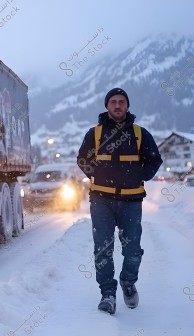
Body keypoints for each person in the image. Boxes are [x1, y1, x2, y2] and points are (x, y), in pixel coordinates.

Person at [77, 88, 163, 315]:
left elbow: (155, 160)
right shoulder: (94, 134)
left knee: (133, 250)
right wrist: (99, 175)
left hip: (132, 200)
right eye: (113, 102)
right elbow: (82, 159)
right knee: (102, 250)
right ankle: (107, 294)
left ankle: (128, 281)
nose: (117, 106)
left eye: (121, 102)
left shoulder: (140, 134)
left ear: (127, 105)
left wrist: (138, 176)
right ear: (107, 106)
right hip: (101, 200)